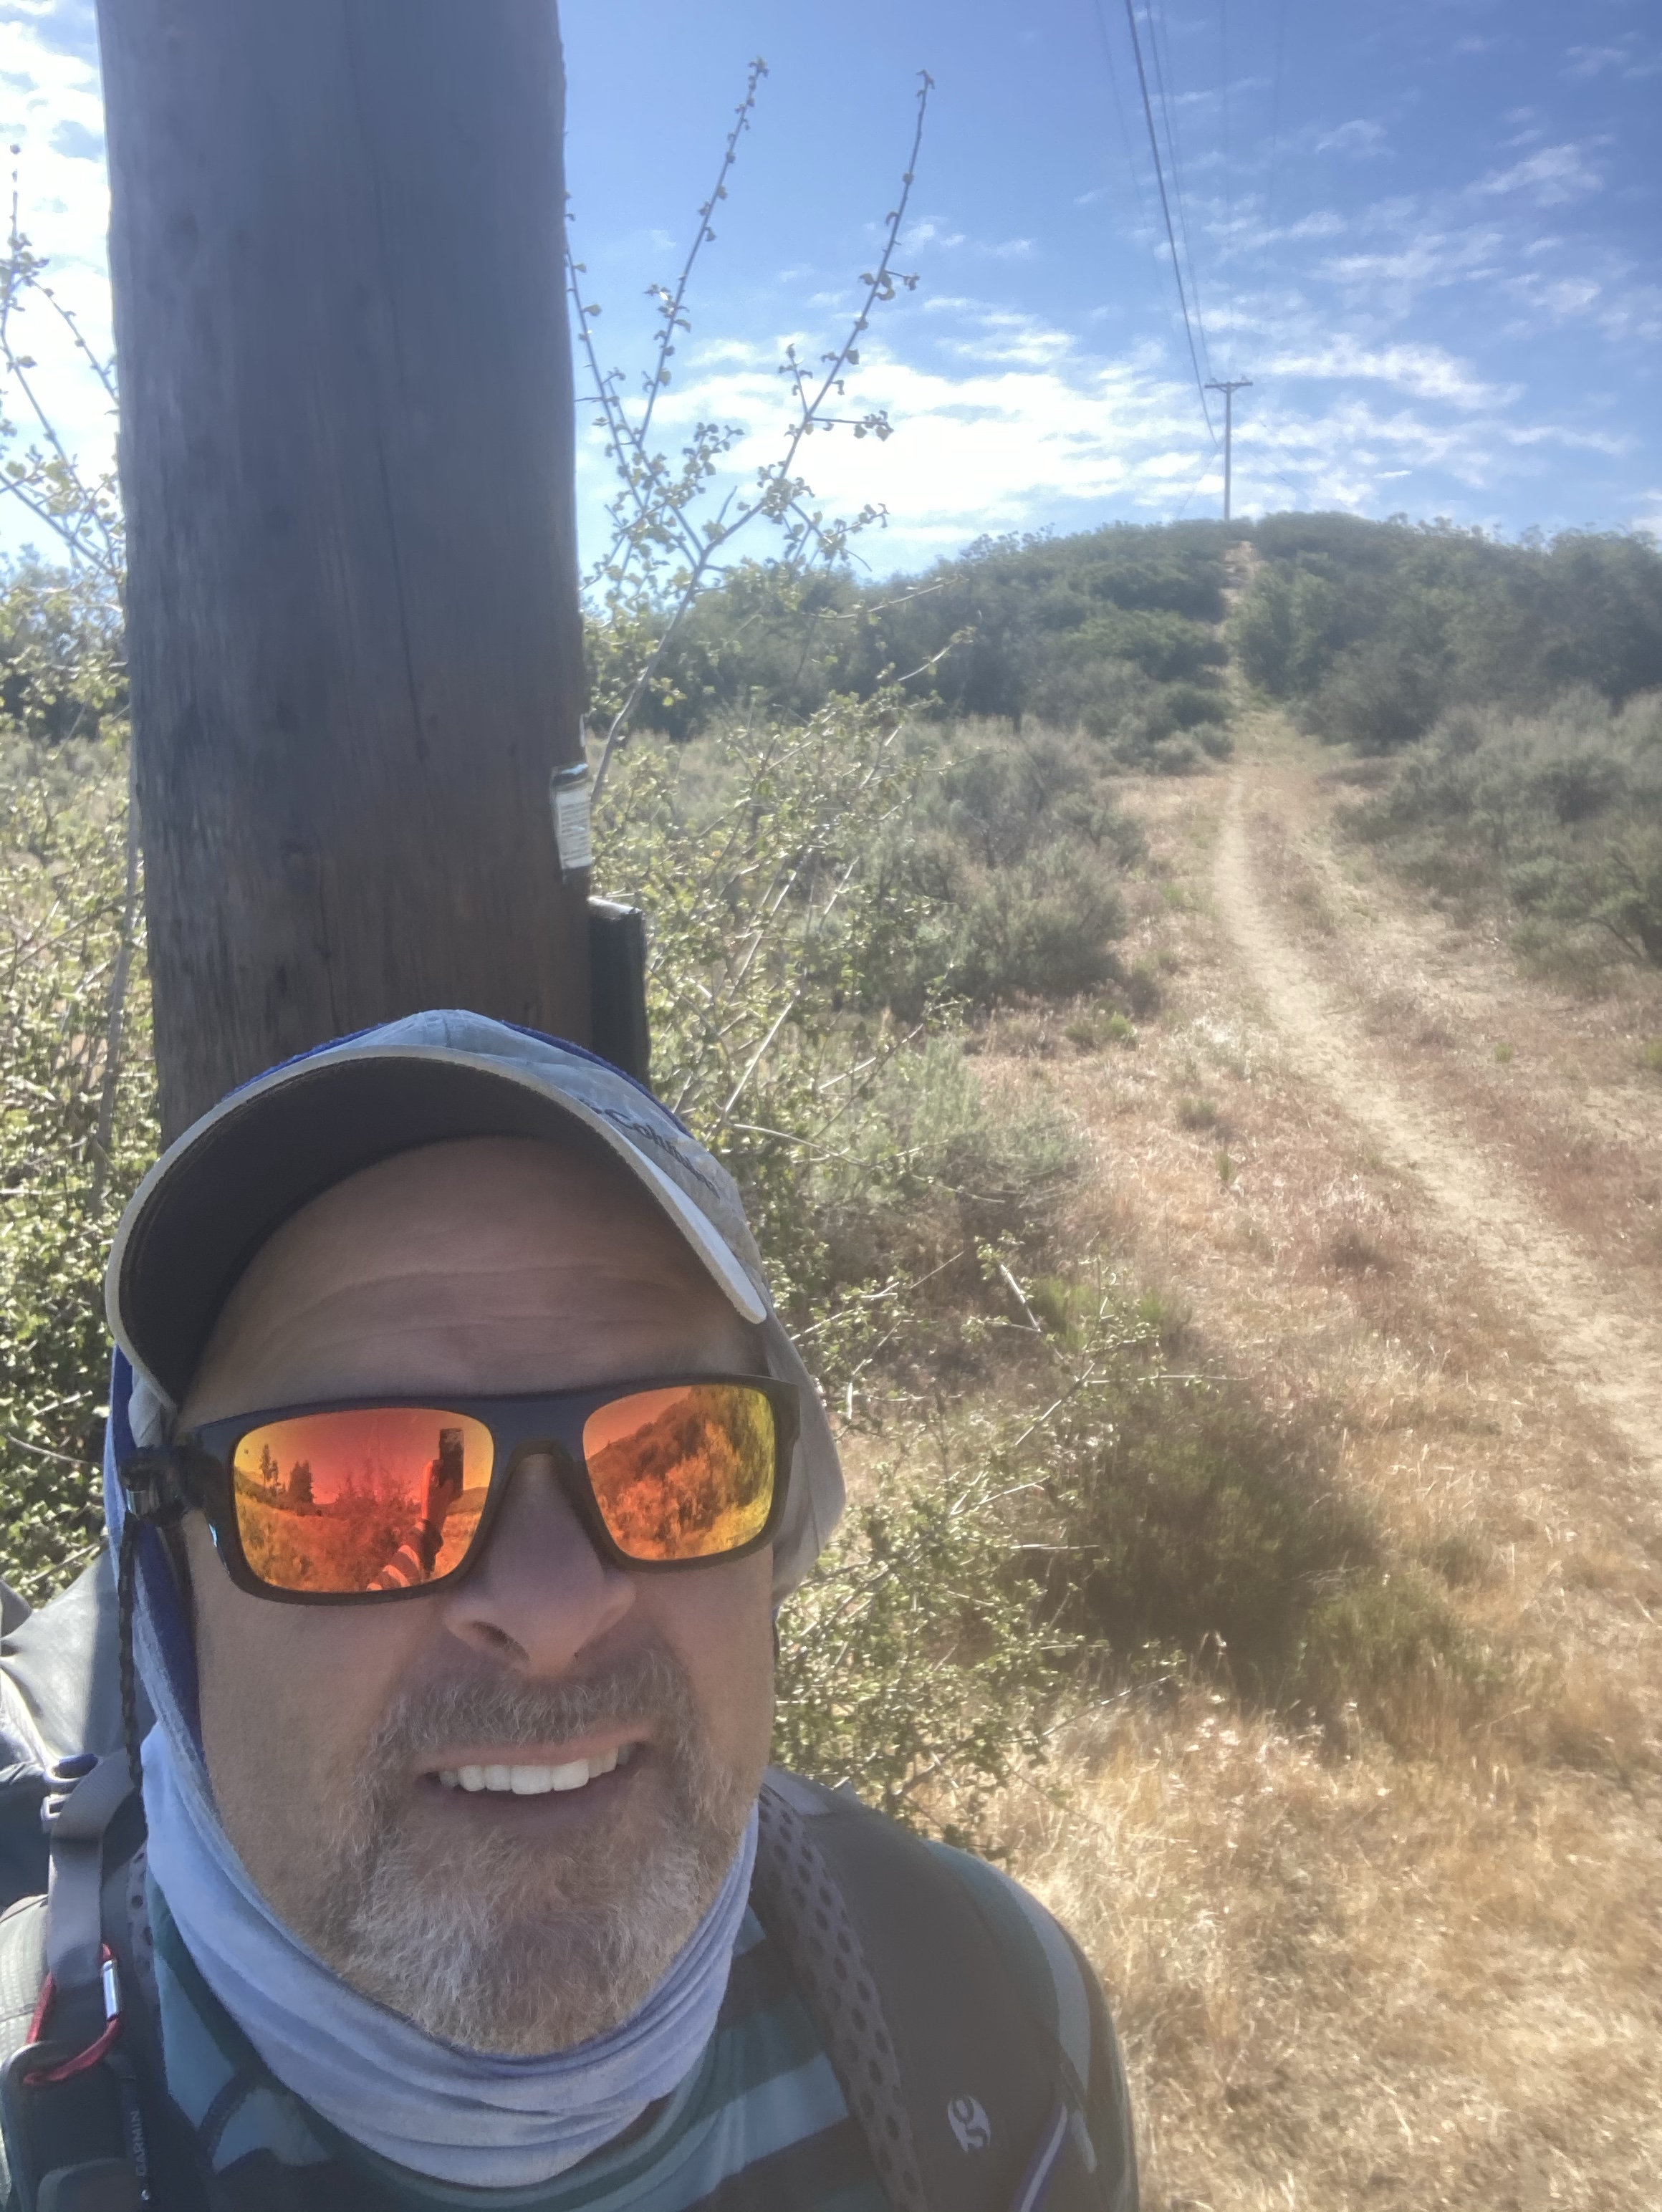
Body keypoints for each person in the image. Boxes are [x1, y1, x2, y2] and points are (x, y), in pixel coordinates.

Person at [0, 1010, 1137, 2212]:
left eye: (675, 1458)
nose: (552, 1609)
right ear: (168, 1591)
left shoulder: (1001, 2020)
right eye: (351, 1489)